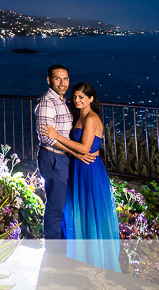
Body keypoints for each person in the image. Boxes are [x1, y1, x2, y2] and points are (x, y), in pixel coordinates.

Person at [40, 82, 121, 272]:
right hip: (78, 167)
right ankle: (80, 257)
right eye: (75, 97)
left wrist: (56, 136)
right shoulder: (80, 116)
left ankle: (94, 261)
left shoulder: (91, 118)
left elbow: (85, 148)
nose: (77, 100)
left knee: (90, 212)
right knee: (78, 210)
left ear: (91, 99)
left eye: (82, 97)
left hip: (89, 169)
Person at [34, 64, 77, 241]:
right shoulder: (47, 103)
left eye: (65, 78)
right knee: (55, 205)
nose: (62, 83)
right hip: (53, 158)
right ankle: (54, 249)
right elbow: (47, 139)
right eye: (57, 78)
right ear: (49, 80)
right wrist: (74, 150)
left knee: (60, 203)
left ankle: (61, 243)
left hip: (60, 158)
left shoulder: (60, 101)